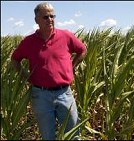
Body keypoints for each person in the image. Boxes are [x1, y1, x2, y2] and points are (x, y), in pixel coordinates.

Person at [11, 2, 87, 140]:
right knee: (48, 136)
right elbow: (15, 59)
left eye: (52, 16)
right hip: (41, 95)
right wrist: (26, 77)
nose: (50, 19)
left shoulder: (66, 36)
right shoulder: (29, 42)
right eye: (46, 17)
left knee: (74, 135)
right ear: (36, 20)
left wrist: (72, 66)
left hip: (64, 93)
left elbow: (82, 50)